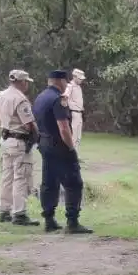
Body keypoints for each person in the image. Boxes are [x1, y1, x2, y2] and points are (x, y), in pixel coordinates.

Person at [33, 69, 93, 235]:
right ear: (60, 82)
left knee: (49, 181)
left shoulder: (40, 98)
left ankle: (49, 219)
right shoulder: (58, 99)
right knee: (74, 182)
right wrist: (71, 147)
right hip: (59, 145)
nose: (66, 85)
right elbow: (64, 127)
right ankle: (72, 221)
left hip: (44, 143)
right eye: (65, 82)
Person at [0, 70, 40, 226]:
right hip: (19, 141)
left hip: (5, 140)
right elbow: (28, 123)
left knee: (6, 177)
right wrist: (37, 134)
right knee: (20, 177)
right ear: (22, 82)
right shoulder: (20, 99)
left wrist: (1, 124)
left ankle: (4, 210)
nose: (27, 84)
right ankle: (19, 213)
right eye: (26, 82)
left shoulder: (1, 95)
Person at [63, 68, 86, 153]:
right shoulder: (70, 86)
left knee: (78, 136)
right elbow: (65, 97)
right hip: (73, 113)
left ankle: (76, 155)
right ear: (74, 77)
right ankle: (70, 155)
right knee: (73, 136)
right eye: (79, 78)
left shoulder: (79, 87)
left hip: (79, 113)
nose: (81, 80)